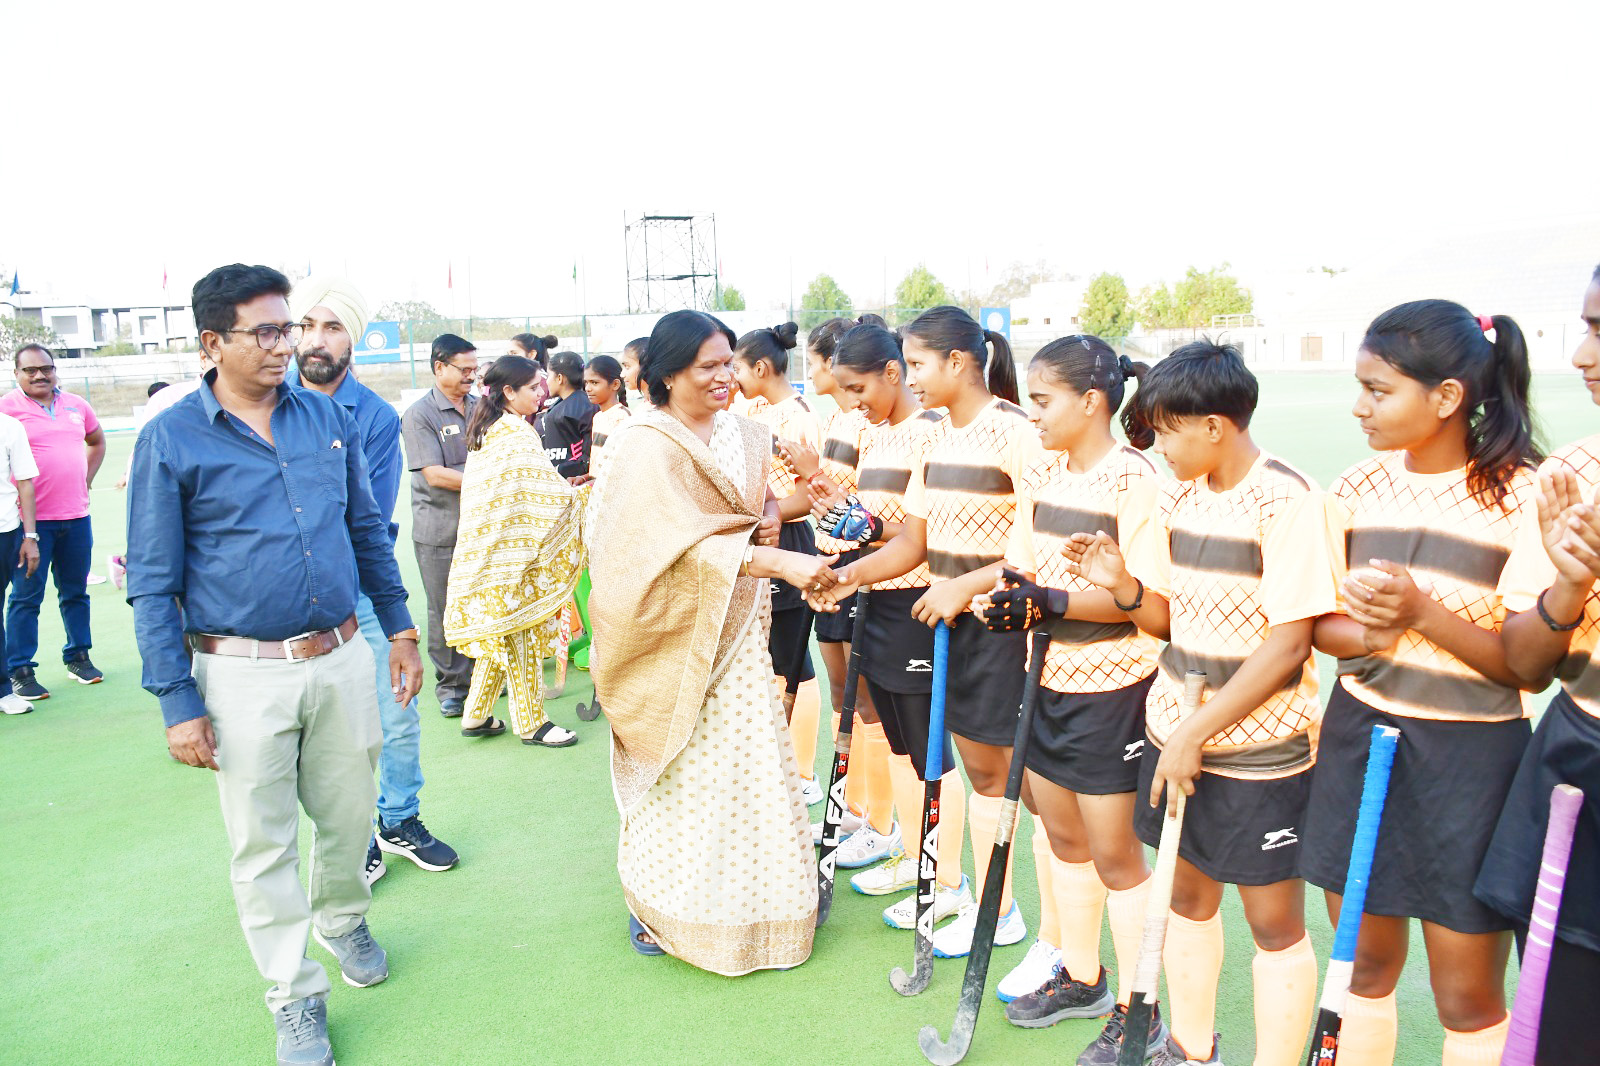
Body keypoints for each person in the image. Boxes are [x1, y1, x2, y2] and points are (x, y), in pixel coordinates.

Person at [127, 263, 423, 1066]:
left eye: (286, 328)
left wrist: (400, 630)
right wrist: (177, 703)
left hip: (340, 656)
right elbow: (152, 584)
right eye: (264, 332)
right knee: (262, 846)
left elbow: (366, 531)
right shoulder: (171, 438)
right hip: (239, 673)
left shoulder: (323, 417)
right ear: (211, 343)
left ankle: (343, 920)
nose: (284, 344)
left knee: (349, 816)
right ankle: (295, 996)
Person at [1062, 339, 1334, 1066]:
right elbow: (1164, 619)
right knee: (1185, 899)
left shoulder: (1289, 498)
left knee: (1273, 922)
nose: (1159, 447)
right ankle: (1189, 1047)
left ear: (1214, 425)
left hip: (1260, 749)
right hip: (1174, 731)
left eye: (1168, 432)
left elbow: (1288, 645)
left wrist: (1197, 733)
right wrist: (1123, 586)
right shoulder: (1175, 495)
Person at [1304, 301, 1543, 1066]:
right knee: (1362, 969)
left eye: (1378, 390)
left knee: (1467, 998)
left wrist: (1421, 614)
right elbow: (1320, 626)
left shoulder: (1522, 495)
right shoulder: (1354, 486)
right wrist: (1374, 633)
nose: (1359, 406)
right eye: (1360, 388)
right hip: (1359, 736)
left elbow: (1525, 666)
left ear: (1445, 398)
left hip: (1472, 763)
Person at [587, 309, 837, 972]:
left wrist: (777, 510)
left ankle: (763, 909)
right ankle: (665, 907)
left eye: (729, 363)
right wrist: (775, 561)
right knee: (684, 777)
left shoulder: (746, 435)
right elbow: (653, 552)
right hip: (672, 641)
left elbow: (760, 505)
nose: (726, 376)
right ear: (668, 375)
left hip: (742, 635)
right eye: (709, 366)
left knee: (748, 770)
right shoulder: (644, 444)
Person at [815, 305, 1042, 960]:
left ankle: (1023, 922)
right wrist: (846, 576)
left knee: (1023, 786)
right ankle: (992, 907)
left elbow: (1037, 550)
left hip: (1005, 628)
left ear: (958, 362)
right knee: (984, 774)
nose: (909, 377)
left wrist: (963, 586)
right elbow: (913, 542)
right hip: (955, 627)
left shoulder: (1015, 433)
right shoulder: (936, 438)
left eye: (916, 364)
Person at [975, 336, 1165, 1060]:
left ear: (1090, 402)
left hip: (1115, 688)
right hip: (1044, 677)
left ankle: (1141, 1009)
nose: (1033, 413)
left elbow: (1141, 600)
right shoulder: (1044, 471)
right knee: (1063, 838)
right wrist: (1010, 600)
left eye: (1043, 400)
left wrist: (1050, 600)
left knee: (1116, 856)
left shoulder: (1135, 479)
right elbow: (1022, 569)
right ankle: (1084, 978)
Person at [291, 276, 458, 886]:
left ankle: (399, 819)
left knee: (398, 711)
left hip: (362, 589)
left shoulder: (377, 418)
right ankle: (353, 836)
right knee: (324, 730)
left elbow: (365, 519)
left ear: (353, 339)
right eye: (306, 325)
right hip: (288, 598)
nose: (316, 339)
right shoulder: (267, 402)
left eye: (332, 326)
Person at [1478, 264, 1600, 1065]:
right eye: (1588, 329)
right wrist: (1570, 587)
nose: (1584, 354)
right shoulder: (1574, 477)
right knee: (1563, 1028)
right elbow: (1523, 665)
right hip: (1579, 759)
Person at [804, 321, 966, 922]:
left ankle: (947, 881)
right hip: (876, 596)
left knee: (928, 751)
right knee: (899, 744)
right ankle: (914, 856)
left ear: (892, 373)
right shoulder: (875, 434)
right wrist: (845, 524)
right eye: (844, 390)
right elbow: (876, 522)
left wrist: (867, 529)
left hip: (918, 602)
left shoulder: (931, 432)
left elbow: (928, 534)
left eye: (859, 389)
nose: (852, 403)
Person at [784, 316, 892, 858]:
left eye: (814, 361)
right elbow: (828, 502)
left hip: (864, 565)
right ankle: (853, 808)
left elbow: (865, 511)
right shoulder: (839, 420)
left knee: (867, 700)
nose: (812, 371)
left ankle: (881, 820)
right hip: (831, 560)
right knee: (843, 691)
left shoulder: (869, 424)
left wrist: (811, 473)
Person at [445, 354, 583, 748]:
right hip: (509, 556)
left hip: (485, 554)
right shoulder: (515, 433)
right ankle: (532, 723)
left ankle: (476, 714)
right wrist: (586, 497)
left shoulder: (488, 430)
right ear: (508, 391)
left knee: (500, 631)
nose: (541, 393)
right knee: (521, 631)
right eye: (533, 387)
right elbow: (546, 495)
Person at [735, 321, 826, 806]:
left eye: (735, 368)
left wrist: (763, 516)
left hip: (787, 538)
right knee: (767, 655)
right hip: (758, 538)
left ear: (760, 368)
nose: (730, 378)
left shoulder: (799, 417)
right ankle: (777, 766)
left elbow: (808, 496)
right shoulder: (750, 409)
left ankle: (803, 773)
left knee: (792, 660)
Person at [1, 343, 106, 699]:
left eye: (46, 368)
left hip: (76, 517)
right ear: (16, 374)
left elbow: (96, 441)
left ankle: (78, 655)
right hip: (29, 523)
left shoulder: (76, 405)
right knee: (26, 597)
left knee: (75, 591)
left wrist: (85, 481)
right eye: (30, 370)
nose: (39, 375)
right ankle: (20, 669)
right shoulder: (6, 409)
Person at [401, 334, 478, 717]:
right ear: (439, 367)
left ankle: (484, 679)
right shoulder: (420, 415)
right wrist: (489, 479)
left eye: (475, 369)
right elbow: (434, 474)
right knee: (444, 607)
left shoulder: (483, 408)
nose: (471, 376)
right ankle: (452, 687)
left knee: (482, 602)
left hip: (481, 527)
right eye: (464, 369)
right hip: (440, 530)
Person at [0, 406, 40, 714]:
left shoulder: (9, 426)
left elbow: (25, 482)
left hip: (4, 530)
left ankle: (3, 691)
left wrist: (30, 536)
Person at [537, 350, 598, 478]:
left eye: (549, 375)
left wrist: (562, 470)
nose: (547, 381)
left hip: (574, 480)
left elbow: (587, 455)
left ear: (559, 378)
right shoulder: (568, 403)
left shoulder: (582, 406)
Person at [584, 354, 631, 460]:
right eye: (586, 382)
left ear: (615, 384)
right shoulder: (598, 417)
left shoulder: (622, 417)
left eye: (594, 383)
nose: (587, 388)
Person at [509, 332, 558, 412]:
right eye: (508, 354)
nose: (509, 358)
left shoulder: (543, 381)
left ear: (531, 355)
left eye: (514, 353)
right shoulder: (516, 378)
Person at [618, 336, 649, 401]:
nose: (622, 375)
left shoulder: (658, 406)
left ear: (646, 365)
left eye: (627, 367)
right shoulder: (647, 405)